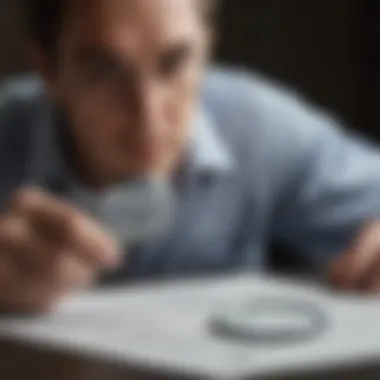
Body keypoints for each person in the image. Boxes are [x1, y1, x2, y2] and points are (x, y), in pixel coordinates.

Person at [0, 0, 379, 313]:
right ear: (48, 72)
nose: (148, 117)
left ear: (207, 48)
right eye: (104, 73)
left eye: (175, 63)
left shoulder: (255, 130)